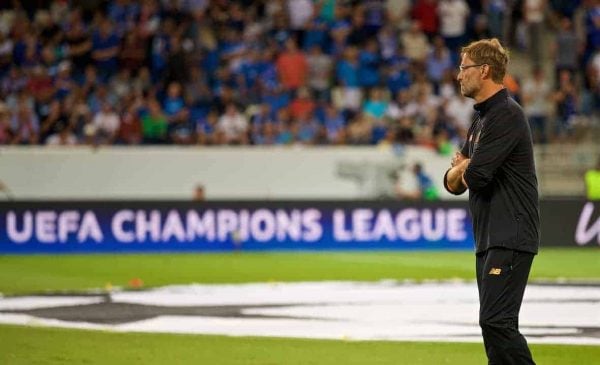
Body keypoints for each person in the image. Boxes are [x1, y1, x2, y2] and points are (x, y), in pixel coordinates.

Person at [443, 38, 539, 364]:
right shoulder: (481, 120)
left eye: (463, 68)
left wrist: (466, 166)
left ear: (484, 70)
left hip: (509, 234)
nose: (458, 76)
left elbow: (476, 176)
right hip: (489, 237)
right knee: (494, 327)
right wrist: (465, 167)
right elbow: (452, 183)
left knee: (496, 322)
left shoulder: (506, 115)